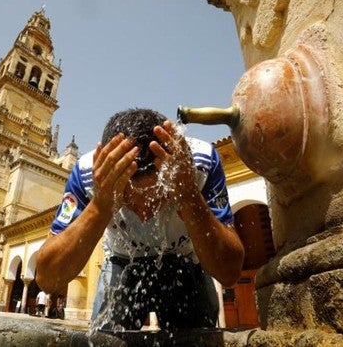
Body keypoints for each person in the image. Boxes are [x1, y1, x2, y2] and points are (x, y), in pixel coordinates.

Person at [36, 108, 244, 330]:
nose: (145, 213)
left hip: (185, 260)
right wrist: (100, 206)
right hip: (121, 261)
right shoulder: (89, 175)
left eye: (157, 197)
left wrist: (189, 196)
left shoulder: (199, 164)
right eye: (128, 199)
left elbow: (229, 273)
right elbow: (49, 280)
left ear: (172, 175)